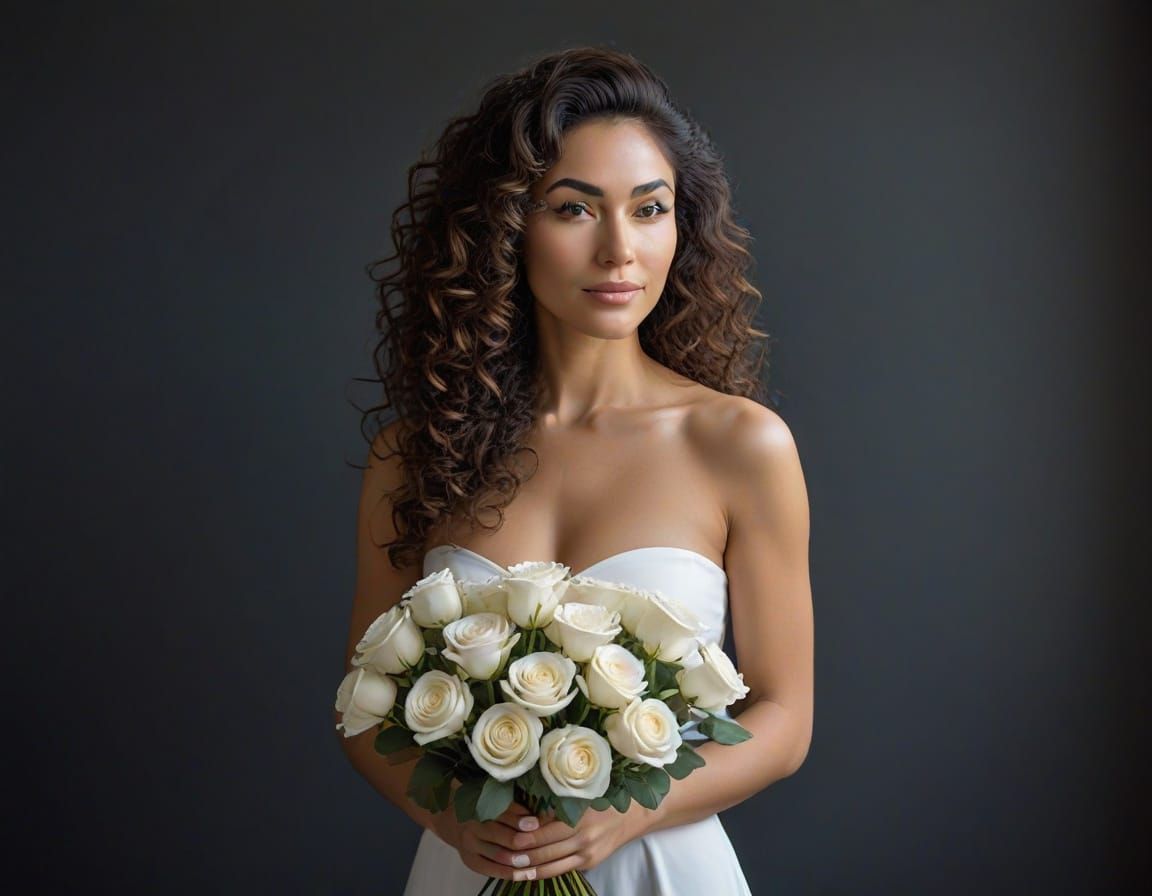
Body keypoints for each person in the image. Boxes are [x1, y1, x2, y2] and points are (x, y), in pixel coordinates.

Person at [337, 45, 814, 894]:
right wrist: (451, 819)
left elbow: (784, 719)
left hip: (665, 867)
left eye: (649, 208)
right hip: (469, 869)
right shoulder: (415, 455)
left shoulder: (742, 445)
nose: (619, 251)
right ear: (506, 227)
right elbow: (363, 711)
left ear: (682, 224)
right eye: (574, 209)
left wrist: (633, 809)